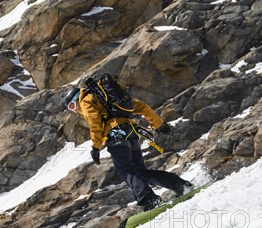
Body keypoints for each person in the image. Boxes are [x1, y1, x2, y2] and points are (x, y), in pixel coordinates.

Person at [65, 77, 193, 211]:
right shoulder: (109, 97)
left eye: (72, 106)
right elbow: (140, 106)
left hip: (115, 136)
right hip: (131, 132)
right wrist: (159, 124)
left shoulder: (85, 100)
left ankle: (150, 201)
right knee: (140, 172)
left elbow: (94, 122)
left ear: (77, 98)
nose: (75, 110)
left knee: (125, 169)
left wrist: (95, 147)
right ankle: (180, 185)